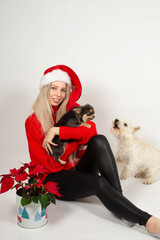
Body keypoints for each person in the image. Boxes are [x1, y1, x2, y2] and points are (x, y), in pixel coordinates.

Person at [25, 65, 160, 238]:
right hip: (55, 179)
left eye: (63, 90)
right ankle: (147, 221)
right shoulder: (33, 122)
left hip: (74, 169)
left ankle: (121, 204)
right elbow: (49, 163)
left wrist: (57, 131)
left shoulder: (72, 109)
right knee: (99, 183)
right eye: (53, 88)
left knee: (100, 140)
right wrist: (74, 142)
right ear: (45, 89)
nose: (58, 94)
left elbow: (92, 132)